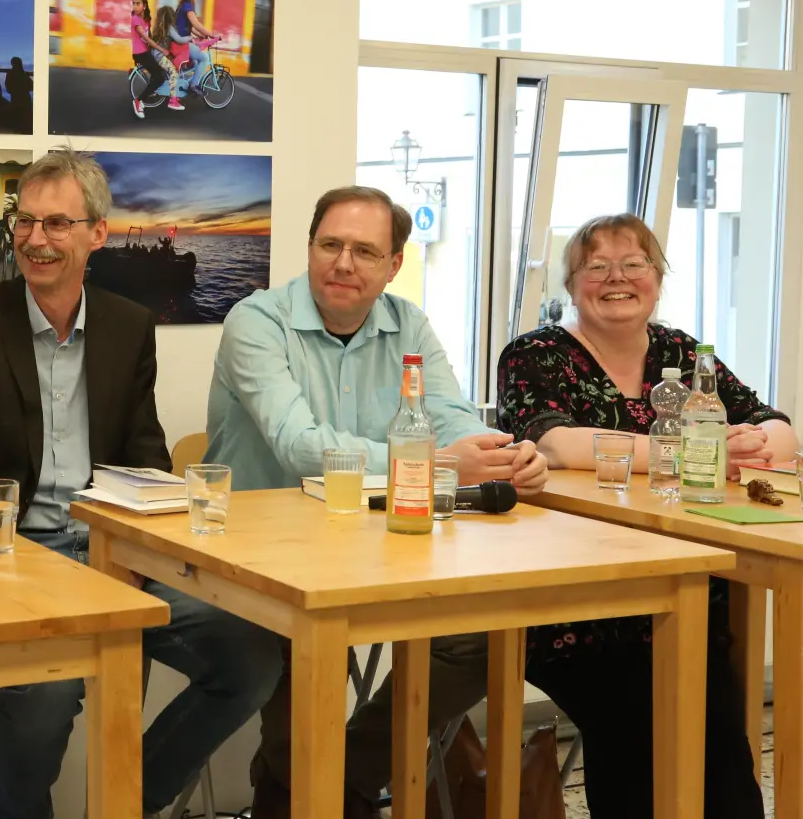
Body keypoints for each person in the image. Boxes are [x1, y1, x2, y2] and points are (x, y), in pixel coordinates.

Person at [0, 147, 280, 819]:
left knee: (251, 655)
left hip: (116, 552)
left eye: (57, 224)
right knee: (45, 691)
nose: (36, 240)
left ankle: (126, 798)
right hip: (23, 559)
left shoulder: (128, 325)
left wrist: (142, 545)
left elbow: (144, 453)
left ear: (98, 233)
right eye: (27, 223)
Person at [204, 185, 550, 819]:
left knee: (484, 637)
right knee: (300, 669)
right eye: (330, 245)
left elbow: (447, 416)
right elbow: (299, 445)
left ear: (393, 265)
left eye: (365, 251)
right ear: (308, 249)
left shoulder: (408, 322)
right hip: (262, 560)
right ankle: (309, 786)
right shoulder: (256, 320)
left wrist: (505, 452)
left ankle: (345, 778)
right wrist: (437, 461)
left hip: (377, 548)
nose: (344, 263)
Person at [496, 212, 783, 817]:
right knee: (636, 738)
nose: (616, 278)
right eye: (596, 267)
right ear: (571, 285)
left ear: (657, 278)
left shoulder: (684, 352)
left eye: (634, 264)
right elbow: (557, 444)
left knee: (721, 758)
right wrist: (702, 451)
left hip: (686, 599)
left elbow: (772, 422)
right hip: (577, 607)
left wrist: (756, 446)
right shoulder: (536, 353)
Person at [129, 0, 180, 118]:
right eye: (134, 3)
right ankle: (138, 101)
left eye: (138, 4)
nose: (135, 6)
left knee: (159, 72)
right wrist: (162, 50)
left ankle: (150, 91)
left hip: (146, 52)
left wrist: (156, 49)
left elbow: (151, 37)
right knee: (160, 78)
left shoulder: (146, 20)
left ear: (144, 6)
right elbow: (146, 38)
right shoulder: (135, 20)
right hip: (140, 54)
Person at [174, 0, 216, 87]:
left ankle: (183, 83)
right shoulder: (187, 5)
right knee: (204, 58)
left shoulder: (182, 5)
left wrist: (203, 35)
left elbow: (191, 28)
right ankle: (194, 85)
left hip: (179, 41)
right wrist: (211, 34)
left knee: (196, 62)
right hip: (182, 43)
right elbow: (196, 24)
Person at [151, 7, 187, 112]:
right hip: (160, 56)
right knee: (174, 72)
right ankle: (172, 101)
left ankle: (173, 92)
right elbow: (179, 39)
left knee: (172, 68)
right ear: (170, 17)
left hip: (157, 54)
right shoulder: (169, 28)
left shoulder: (162, 28)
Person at [5, 56, 32, 129]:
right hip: (25, 98)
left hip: (15, 98)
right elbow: (31, 86)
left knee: (17, 115)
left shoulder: (10, 73)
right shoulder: (24, 74)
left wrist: (14, 91)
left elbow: (8, 86)